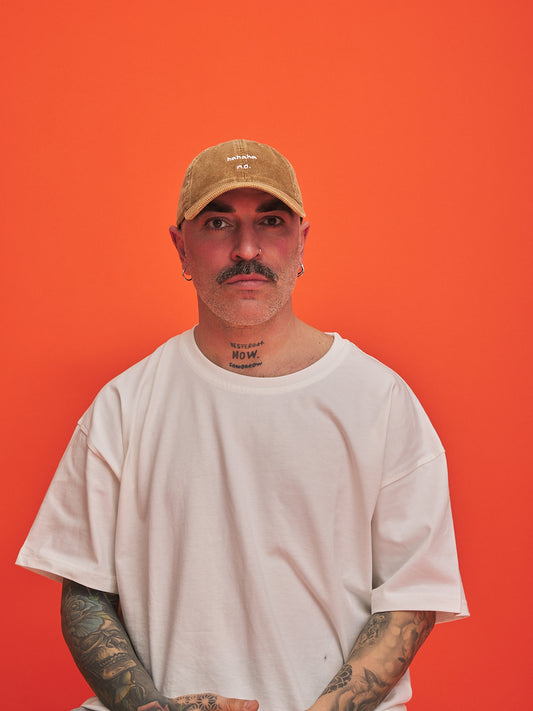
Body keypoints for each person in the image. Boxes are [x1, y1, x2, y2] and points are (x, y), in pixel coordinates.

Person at [16, 139, 468, 711]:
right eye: (218, 223)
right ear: (181, 248)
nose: (247, 249)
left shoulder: (381, 401)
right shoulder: (123, 406)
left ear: (302, 242)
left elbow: (411, 596)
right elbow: (85, 593)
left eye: (271, 222)